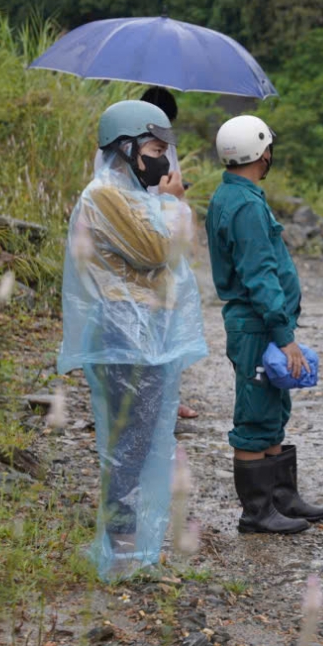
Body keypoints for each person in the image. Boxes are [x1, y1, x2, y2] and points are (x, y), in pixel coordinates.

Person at [58, 100, 207, 580]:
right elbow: (157, 250)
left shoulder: (135, 196)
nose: (164, 161)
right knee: (128, 446)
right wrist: (173, 202)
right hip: (123, 330)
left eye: (165, 151)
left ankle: (136, 546)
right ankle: (121, 551)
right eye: (155, 151)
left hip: (145, 330)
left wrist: (165, 203)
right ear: (125, 148)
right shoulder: (105, 195)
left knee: (145, 441)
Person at [207, 115, 323, 535]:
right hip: (257, 324)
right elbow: (260, 274)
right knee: (255, 414)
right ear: (262, 154)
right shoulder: (244, 206)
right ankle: (257, 512)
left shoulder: (236, 195)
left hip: (260, 323)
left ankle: (282, 498)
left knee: (273, 406)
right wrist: (284, 335)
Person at [138, 86, 201, 425]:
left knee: (167, 323)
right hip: (145, 239)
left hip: (166, 235)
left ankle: (169, 398)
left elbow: (175, 187)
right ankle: (148, 401)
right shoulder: (123, 147)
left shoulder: (166, 145)